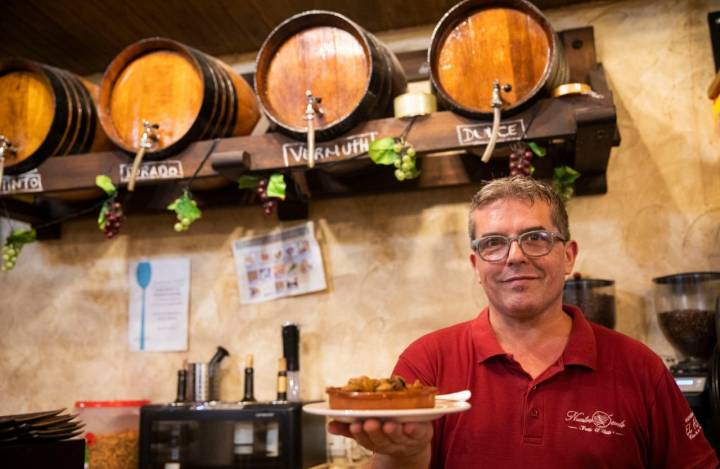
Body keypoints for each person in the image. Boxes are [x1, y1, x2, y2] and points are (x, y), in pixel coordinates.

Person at [329, 176, 719, 468]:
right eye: (493, 244)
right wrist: (405, 454)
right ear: (476, 265)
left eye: (535, 238)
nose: (514, 256)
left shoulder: (640, 368)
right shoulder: (426, 364)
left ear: (568, 256)